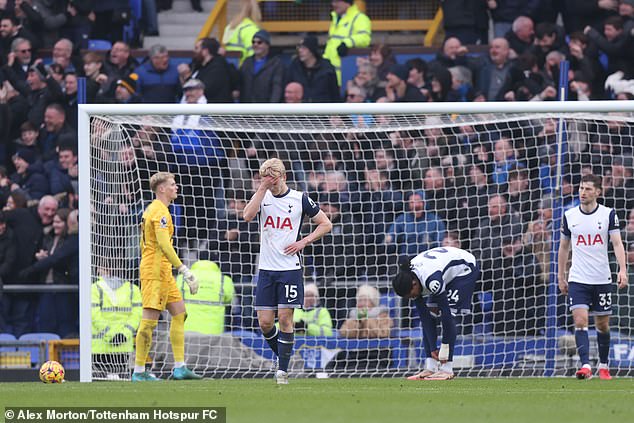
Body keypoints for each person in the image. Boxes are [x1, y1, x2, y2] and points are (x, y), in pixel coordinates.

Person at [243, 158, 332, 384]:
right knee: (264, 323)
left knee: (284, 318)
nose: (271, 186)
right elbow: (247, 216)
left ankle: (282, 370)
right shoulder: (262, 197)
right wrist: (262, 188)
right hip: (266, 268)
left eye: (273, 181)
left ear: (283, 177)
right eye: (267, 182)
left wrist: (304, 242)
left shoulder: (299, 199)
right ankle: (282, 356)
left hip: (289, 269)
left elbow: (325, 224)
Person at [132, 172, 202, 381]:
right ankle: (139, 371)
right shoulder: (159, 212)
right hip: (154, 272)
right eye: (172, 184)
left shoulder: (160, 210)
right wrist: (184, 270)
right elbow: (163, 244)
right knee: (149, 321)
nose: (176, 187)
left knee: (180, 313)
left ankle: (180, 367)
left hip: (162, 270)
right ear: (161, 189)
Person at [558, 174, 628, 380]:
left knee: (602, 325)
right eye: (581, 188)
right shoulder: (569, 215)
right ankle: (586, 365)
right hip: (578, 277)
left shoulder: (608, 214)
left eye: (588, 189)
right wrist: (561, 276)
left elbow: (617, 243)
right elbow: (563, 247)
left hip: (602, 278)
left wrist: (622, 270)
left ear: (598, 192)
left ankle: (604, 366)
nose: (583, 192)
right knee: (580, 320)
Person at [392, 246, 480, 380]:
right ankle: (430, 367)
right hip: (443, 271)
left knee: (450, 313)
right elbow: (425, 319)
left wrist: (444, 347)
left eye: (410, 295)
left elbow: (446, 315)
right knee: (431, 315)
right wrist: (433, 348)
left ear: (414, 284)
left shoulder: (432, 280)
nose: (411, 298)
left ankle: (447, 369)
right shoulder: (411, 278)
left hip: (463, 269)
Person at [177, 259, 235, 335]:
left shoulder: (181, 278)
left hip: (185, 331)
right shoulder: (224, 279)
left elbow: (175, 298)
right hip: (214, 332)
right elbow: (229, 299)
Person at [324, 0, 372, 86]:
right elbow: (331, 44)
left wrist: (346, 43)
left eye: (337, 1)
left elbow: (364, 38)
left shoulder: (360, 18)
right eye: (333, 1)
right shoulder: (336, 18)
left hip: (345, 77)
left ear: (347, 3)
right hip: (330, 75)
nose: (333, 4)